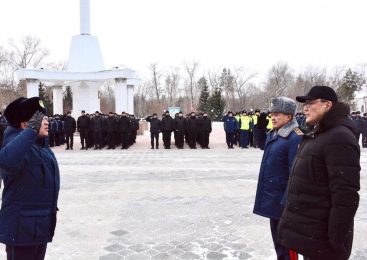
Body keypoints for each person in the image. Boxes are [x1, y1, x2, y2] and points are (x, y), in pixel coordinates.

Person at [278, 86, 360, 260]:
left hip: (324, 240)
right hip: (311, 234)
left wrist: (336, 238)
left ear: (327, 105)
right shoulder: (318, 133)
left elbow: (345, 195)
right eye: (304, 104)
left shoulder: (339, 137)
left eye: (310, 103)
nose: (305, 108)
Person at [0, 97, 60, 260]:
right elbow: (6, 161)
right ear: (26, 125)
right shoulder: (14, 144)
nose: (46, 121)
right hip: (21, 230)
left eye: (46, 117)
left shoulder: (41, 145)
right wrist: (31, 132)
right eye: (40, 119)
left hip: (39, 225)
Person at [253, 97, 302, 260]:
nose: (273, 118)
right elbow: (261, 146)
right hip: (274, 199)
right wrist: (259, 128)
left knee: (288, 248)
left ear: (289, 117)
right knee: (279, 244)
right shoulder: (276, 133)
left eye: (278, 114)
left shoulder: (295, 137)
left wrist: (288, 203)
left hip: (284, 203)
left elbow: (295, 175)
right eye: (271, 114)